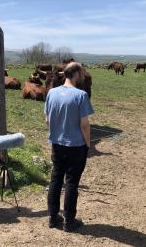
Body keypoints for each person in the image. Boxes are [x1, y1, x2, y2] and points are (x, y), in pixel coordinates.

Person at [44, 62, 94, 232]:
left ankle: (52, 217)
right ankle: (69, 221)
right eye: (82, 72)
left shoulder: (51, 93)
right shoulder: (81, 95)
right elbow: (84, 125)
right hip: (76, 146)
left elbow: (47, 120)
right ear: (76, 74)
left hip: (57, 144)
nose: (83, 76)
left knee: (56, 179)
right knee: (72, 182)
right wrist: (88, 143)